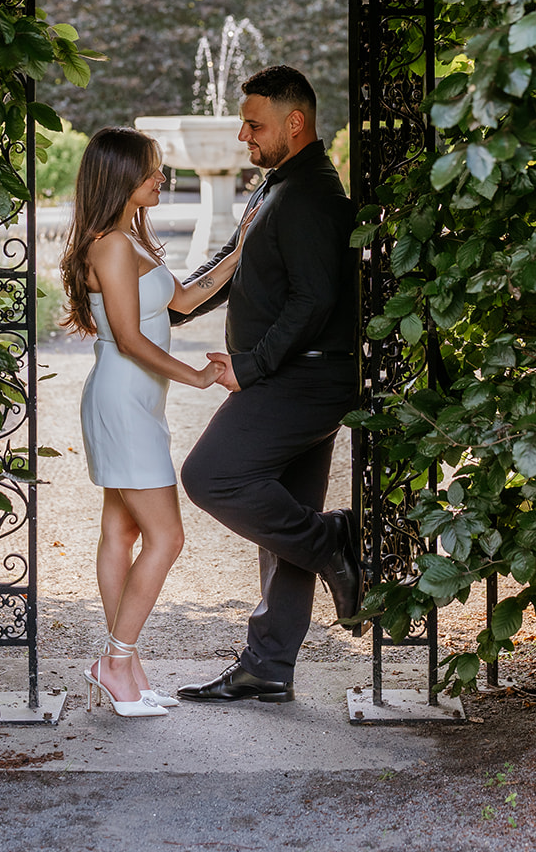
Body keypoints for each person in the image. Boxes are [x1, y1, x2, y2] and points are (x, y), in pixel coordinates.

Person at [171, 65, 361, 705]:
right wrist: (165, 307)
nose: (244, 137)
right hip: (296, 373)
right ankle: (269, 664)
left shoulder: (309, 195)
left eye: (254, 124)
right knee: (282, 521)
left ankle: (333, 541)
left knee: (211, 476)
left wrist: (249, 368)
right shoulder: (279, 186)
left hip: (305, 376)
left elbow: (314, 299)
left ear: (294, 122)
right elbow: (231, 264)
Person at [60, 126, 251, 718]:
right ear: (121, 177)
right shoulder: (111, 246)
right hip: (122, 400)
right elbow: (128, 337)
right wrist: (195, 376)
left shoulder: (128, 240)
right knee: (167, 537)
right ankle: (116, 662)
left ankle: (128, 670)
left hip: (136, 401)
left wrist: (244, 244)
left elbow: (187, 299)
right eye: (151, 171)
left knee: (122, 534)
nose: (161, 178)